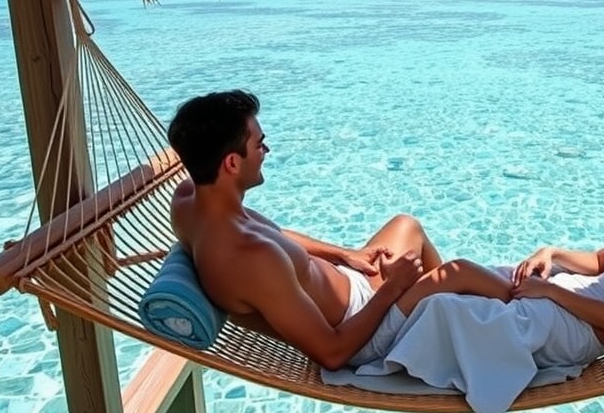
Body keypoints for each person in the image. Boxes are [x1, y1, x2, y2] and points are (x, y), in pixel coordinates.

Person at [366, 147, 604, 368]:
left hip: (579, 330)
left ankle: (369, 344)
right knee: (452, 283)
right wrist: (551, 253)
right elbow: (600, 263)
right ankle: (379, 319)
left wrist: (549, 293)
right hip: (563, 295)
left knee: (457, 272)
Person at [166, 90, 442, 371]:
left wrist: (345, 254)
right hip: (361, 326)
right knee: (458, 274)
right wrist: (394, 286)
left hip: (354, 285)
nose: (266, 152)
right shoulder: (249, 257)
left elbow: (275, 233)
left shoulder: (189, 201)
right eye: (259, 145)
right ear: (232, 163)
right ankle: (450, 325)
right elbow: (332, 353)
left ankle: (447, 317)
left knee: (406, 226)